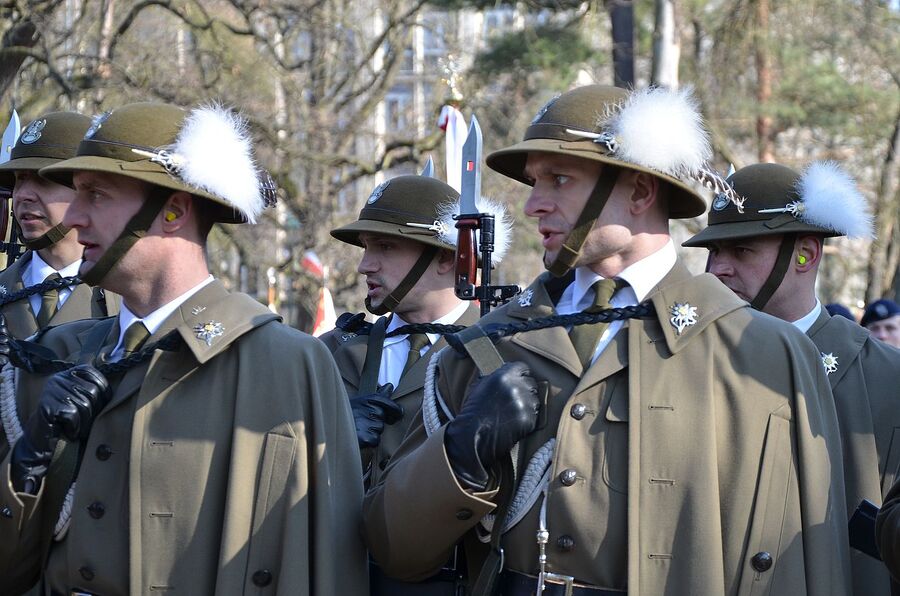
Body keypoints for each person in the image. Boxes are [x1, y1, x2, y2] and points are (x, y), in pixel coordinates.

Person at [363, 85, 850, 595]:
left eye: (559, 179)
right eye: (534, 181)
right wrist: (462, 453)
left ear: (640, 192)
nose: (532, 205)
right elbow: (396, 550)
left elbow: (806, 561)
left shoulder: (762, 354)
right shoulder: (488, 345)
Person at [0, 102, 367, 595]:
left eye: (96, 195)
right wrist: (28, 461)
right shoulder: (51, 356)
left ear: (173, 210)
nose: (76, 217)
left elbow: (330, 565)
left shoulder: (288, 363)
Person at [685, 161, 900, 595]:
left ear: (805, 254)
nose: (717, 270)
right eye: (713, 252)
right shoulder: (685, 363)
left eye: (741, 251)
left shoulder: (887, 377)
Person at [321, 173, 502, 595]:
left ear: (445, 258)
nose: (365, 264)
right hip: (342, 577)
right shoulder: (331, 353)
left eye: (385, 247)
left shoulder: (497, 353)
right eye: (366, 247)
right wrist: (328, 435)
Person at [0, 111, 118, 340]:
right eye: (19, 180)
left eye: (43, 179)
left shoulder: (128, 300)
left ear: (90, 192)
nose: (23, 194)